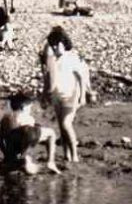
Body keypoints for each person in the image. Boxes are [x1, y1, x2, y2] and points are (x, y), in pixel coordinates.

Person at [40, 27, 94, 164]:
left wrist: (82, 96)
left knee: (66, 124)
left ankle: (74, 155)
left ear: (64, 44)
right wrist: (44, 96)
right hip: (57, 96)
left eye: (58, 44)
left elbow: (81, 78)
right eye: (53, 45)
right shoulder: (52, 60)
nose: (56, 48)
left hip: (71, 95)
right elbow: (48, 79)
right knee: (62, 127)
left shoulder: (71, 58)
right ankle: (66, 155)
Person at [0, 92, 59, 174]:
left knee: (25, 137)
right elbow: (30, 137)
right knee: (51, 133)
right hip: (24, 139)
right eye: (30, 107)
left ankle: (17, 160)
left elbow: (0, 140)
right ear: (24, 108)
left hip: (12, 146)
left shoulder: (5, 118)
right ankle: (50, 162)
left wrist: (6, 154)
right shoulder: (28, 118)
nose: (30, 109)